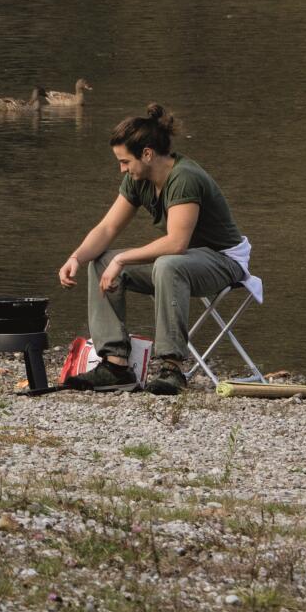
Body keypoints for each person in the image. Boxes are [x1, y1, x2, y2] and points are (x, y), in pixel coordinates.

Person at [57, 101, 249, 395]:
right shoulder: (138, 179)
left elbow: (176, 243)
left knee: (166, 263)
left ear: (147, 154)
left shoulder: (184, 178)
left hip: (224, 262)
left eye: (125, 161)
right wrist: (76, 258)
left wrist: (122, 259)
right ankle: (115, 366)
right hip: (184, 261)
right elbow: (108, 228)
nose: (122, 169)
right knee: (101, 261)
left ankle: (172, 369)